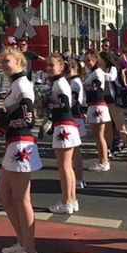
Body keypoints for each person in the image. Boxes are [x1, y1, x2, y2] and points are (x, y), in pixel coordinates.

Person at [0, 46, 42, 253]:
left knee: (22, 199)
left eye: (7, 61)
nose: (3, 64)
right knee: (5, 196)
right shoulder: (15, 83)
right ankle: (23, 241)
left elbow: (28, 119)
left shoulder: (22, 84)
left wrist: (4, 122)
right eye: (2, 60)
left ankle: (30, 249)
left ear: (19, 61)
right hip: (14, 144)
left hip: (21, 144)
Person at [46, 53, 81, 214]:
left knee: (64, 166)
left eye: (52, 65)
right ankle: (72, 200)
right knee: (68, 166)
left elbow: (64, 105)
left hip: (63, 126)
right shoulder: (61, 82)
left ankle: (66, 201)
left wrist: (48, 104)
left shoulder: (59, 84)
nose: (48, 68)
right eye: (47, 65)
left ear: (61, 67)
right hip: (67, 126)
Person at [83, 50, 114, 172]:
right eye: (85, 61)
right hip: (93, 105)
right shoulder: (92, 73)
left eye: (89, 60)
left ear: (96, 60)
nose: (87, 63)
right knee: (98, 136)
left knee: (100, 136)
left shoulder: (97, 73)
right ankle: (102, 160)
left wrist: (85, 87)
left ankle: (104, 162)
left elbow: (95, 87)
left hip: (97, 105)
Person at [68, 59, 87, 189]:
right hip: (76, 117)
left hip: (74, 117)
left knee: (74, 151)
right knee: (74, 151)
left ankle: (78, 178)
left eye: (68, 70)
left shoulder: (74, 83)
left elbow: (73, 102)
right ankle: (77, 178)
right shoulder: (75, 81)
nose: (66, 73)